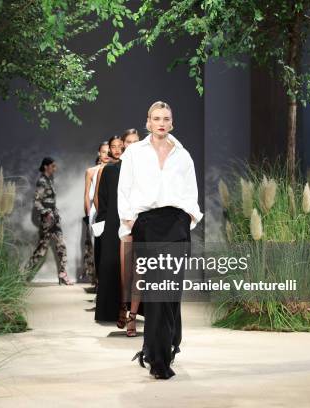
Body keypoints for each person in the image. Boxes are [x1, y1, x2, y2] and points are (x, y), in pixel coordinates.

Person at [118, 102, 202, 379]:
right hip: (149, 225)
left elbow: (191, 192)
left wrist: (188, 218)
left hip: (176, 225)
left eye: (166, 118)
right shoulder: (134, 153)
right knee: (155, 294)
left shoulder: (183, 155)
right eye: (156, 118)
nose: (161, 122)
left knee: (171, 294)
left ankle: (165, 346)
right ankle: (157, 357)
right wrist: (129, 222)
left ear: (172, 122)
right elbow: (125, 189)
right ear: (148, 122)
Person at [26, 157, 73, 285]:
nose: (55, 168)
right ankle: (25, 276)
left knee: (61, 246)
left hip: (54, 218)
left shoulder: (49, 180)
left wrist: (54, 212)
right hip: (47, 220)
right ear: (46, 166)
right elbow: (37, 202)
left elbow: (51, 201)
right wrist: (46, 213)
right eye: (53, 166)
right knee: (42, 250)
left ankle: (62, 275)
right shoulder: (42, 181)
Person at [93, 136, 124, 322]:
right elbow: (99, 196)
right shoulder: (108, 170)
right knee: (113, 264)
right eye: (115, 146)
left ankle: (129, 310)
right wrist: (102, 220)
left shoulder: (131, 169)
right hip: (111, 221)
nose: (119, 149)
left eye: (122, 146)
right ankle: (117, 309)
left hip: (131, 220)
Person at [117, 129, 141, 336]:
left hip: (145, 225)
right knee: (126, 275)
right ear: (124, 144)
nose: (132, 145)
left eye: (136, 141)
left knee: (140, 274)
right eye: (129, 142)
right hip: (126, 224)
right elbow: (121, 195)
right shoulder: (121, 165)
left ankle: (132, 317)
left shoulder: (147, 164)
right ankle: (123, 307)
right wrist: (128, 220)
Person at [80, 142, 109, 284]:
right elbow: (86, 195)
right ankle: (98, 282)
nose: (106, 154)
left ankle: (105, 284)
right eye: (104, 152)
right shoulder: (91, 171)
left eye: (108, 151)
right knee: (96, 247)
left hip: (110, 211)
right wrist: (87, 216)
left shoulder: (114, 170)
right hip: (95, 212)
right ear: (99, 153)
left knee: (107, 248)